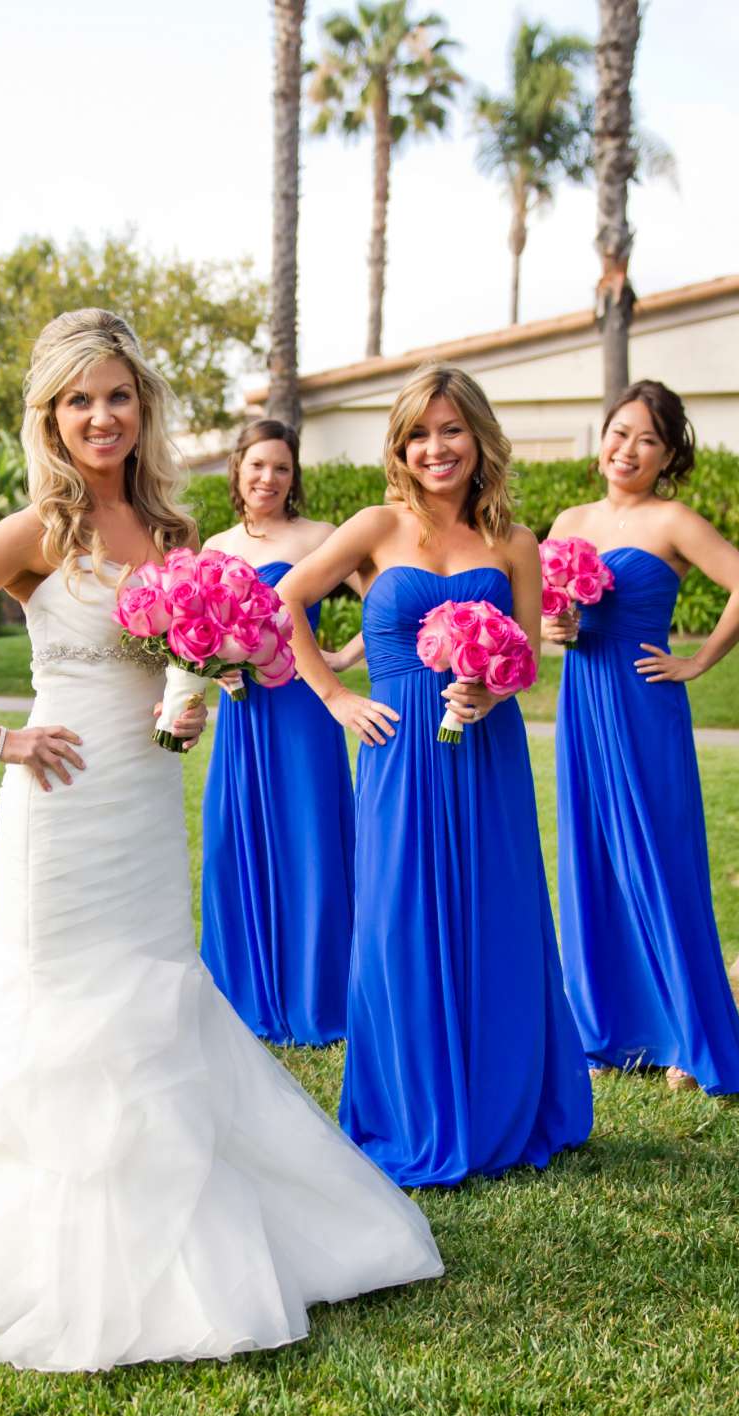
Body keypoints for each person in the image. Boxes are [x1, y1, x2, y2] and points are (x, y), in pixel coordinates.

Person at [0, 310, 442, 1373]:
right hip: (60, 804)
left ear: (141, 407)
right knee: (54, 1001)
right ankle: (35, 1236)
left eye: (115, 396)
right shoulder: (35, 531)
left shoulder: (172, 535)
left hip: (149, 800)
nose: (99, 416)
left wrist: (191, 705)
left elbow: (178, 675)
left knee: (155, 996)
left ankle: (185, 1219)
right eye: (77, 401)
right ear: (50, 419)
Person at [275, 365, 592, 1186]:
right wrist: (337, 696)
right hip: (398, 751)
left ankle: (501, 1106)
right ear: (401, 446)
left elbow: (525, 659)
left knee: (498, 917)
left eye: (450, 429)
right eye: (418, 433)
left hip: (487, 755)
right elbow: (283, 604)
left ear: (479, 437)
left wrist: (492, 688)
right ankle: (411, 1107)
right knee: (397, 922)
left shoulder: (514, 544)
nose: (435, 447)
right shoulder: (376, 526)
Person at [545, 380, 739, 1095]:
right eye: (619, 432)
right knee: (592, 855)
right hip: (583, 702)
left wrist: (697, 660)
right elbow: (545, 617)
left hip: (645, 705)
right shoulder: (569, 517)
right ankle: (605, 1028)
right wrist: (555, 630)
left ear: (667, 453)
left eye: (647, 439)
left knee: (659, 858)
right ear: (601, 437)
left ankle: (686, 1032)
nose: (628, 449)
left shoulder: (673, 520)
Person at [196, 419, 364, 1046]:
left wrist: (344, 656)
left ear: (295, 477)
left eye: (282, 468)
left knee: (311, 839)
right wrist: (212, 669)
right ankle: (242, 991)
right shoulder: (214, 547)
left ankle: (318, 992)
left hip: (303, 711)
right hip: (242, 713)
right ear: (238, 469)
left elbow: (391, 601)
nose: (269, 478)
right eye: (258, 465)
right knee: (233, 839)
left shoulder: (321, 537)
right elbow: (195, 636)